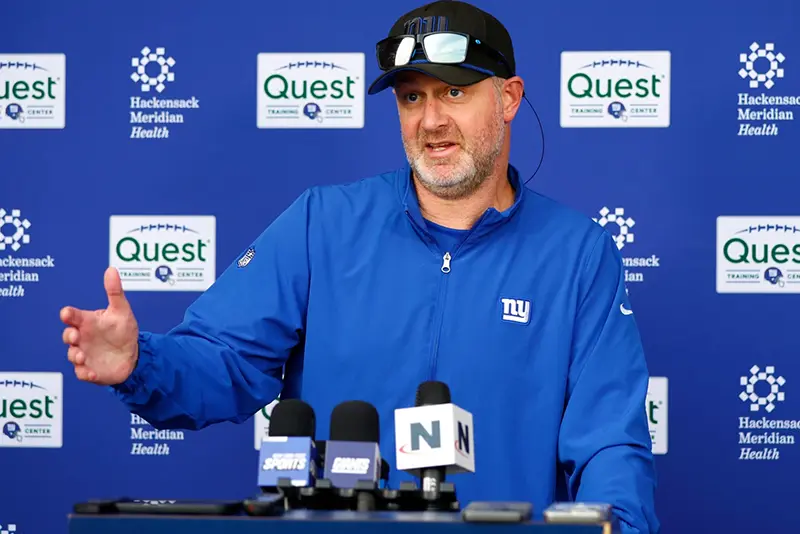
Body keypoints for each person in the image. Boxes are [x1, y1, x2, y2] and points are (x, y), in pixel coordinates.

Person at [59, 1, 659, 532]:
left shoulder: (578, 253)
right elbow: (224, 362)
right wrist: (141, 362)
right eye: (412, 96)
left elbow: (610, 441)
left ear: (507, 98)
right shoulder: (322, 222)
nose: (431, 120)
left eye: (454, 92)